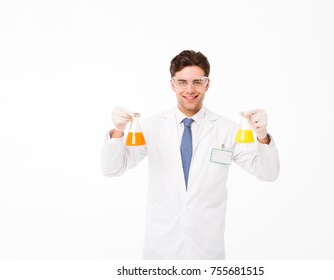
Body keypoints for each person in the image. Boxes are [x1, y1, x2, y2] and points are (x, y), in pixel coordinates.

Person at [101, 50, 280, 260]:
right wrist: (118, 131)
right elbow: (112, 169)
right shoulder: (151, 127)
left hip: (206, 248)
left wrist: (261, 137)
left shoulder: (227, 129)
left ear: (207, 84)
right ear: (172, 84)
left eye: (197, 82)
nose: (190, 89)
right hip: (161, 247)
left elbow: (268, 173)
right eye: (183, 82)